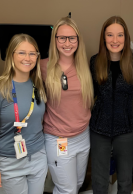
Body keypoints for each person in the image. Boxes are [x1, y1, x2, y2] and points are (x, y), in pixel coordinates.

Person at [89, 16, 133, 194]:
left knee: (124, 181)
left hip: (126, 130)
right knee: (99, 182)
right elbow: (89, 96)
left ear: (126, 38)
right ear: (103, 38)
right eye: (110, 35)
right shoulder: (95, 61)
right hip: (99, 130)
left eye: (120, 35)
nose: (115, 40)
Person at [0, 34, 47, 194]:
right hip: (9, 162)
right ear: (11, 55)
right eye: (22, 52)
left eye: (33, 53)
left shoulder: (38, 85)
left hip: (37, 157)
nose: (28, 58)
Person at [40, 16, 93, 194]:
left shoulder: (85, 67)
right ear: (55, 40)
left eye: (72, 38)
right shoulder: (42, 67)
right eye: (62, 38)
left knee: (77, 185)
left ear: (78, 40)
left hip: (83, 137)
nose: (67, 43)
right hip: (59, 139)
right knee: (67, 190)